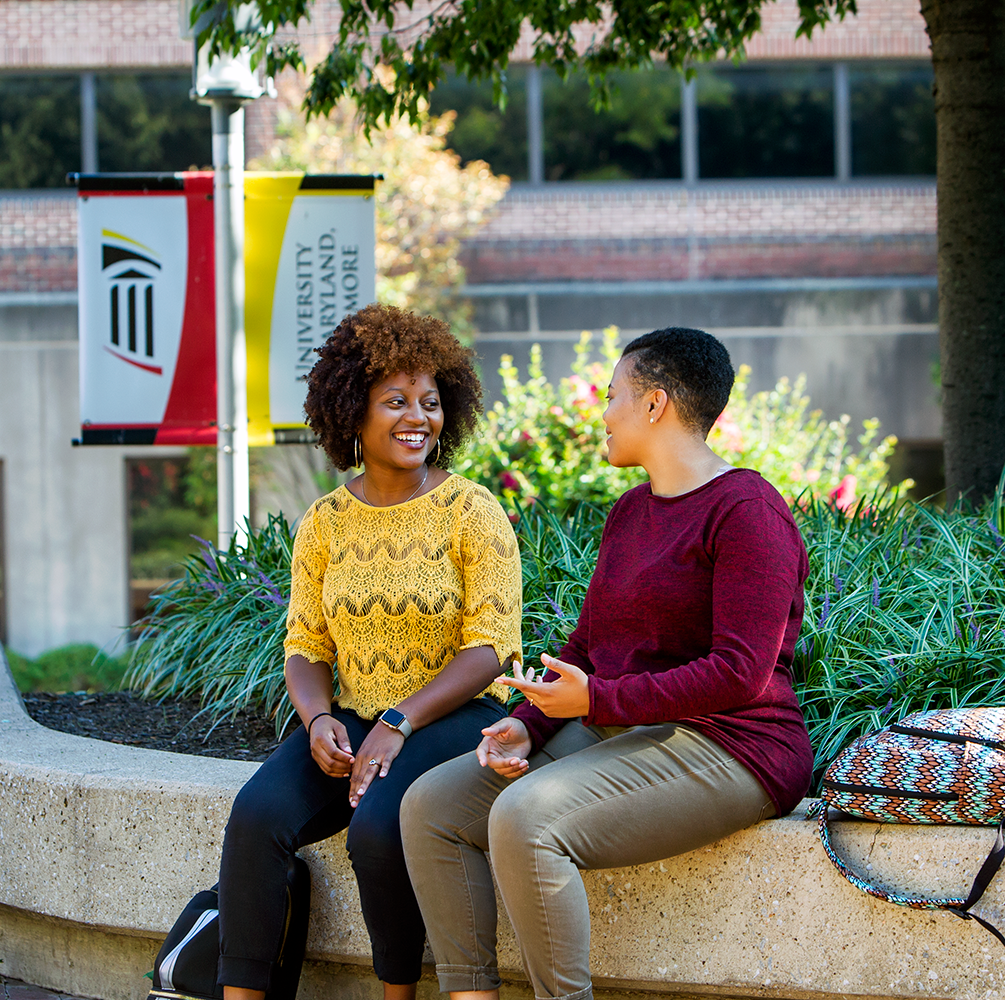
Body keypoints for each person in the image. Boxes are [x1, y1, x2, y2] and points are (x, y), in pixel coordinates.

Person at [400, 326, 814, 1000]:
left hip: (733, 743)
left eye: (613, 395)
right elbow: (589, 644)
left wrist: (597, 703)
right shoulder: (630, 512)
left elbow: (740, 672)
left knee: (527, 818)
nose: (603, 411)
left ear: (655, 405)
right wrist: (530, 724)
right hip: (623, 730)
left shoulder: (747, 512)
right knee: (431, 808)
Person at [215, 304, 522, 1000]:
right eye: (396, 401)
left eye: (431, 402)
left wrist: (399, 721)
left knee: (378, 828)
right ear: (352, 412)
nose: (418, 417)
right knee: (257, 815)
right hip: (354, 719)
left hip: (454, 715)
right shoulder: (324, 522)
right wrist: (319, 718)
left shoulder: (472, 511)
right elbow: (304, 644)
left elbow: (492, 648)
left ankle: (397, 994)